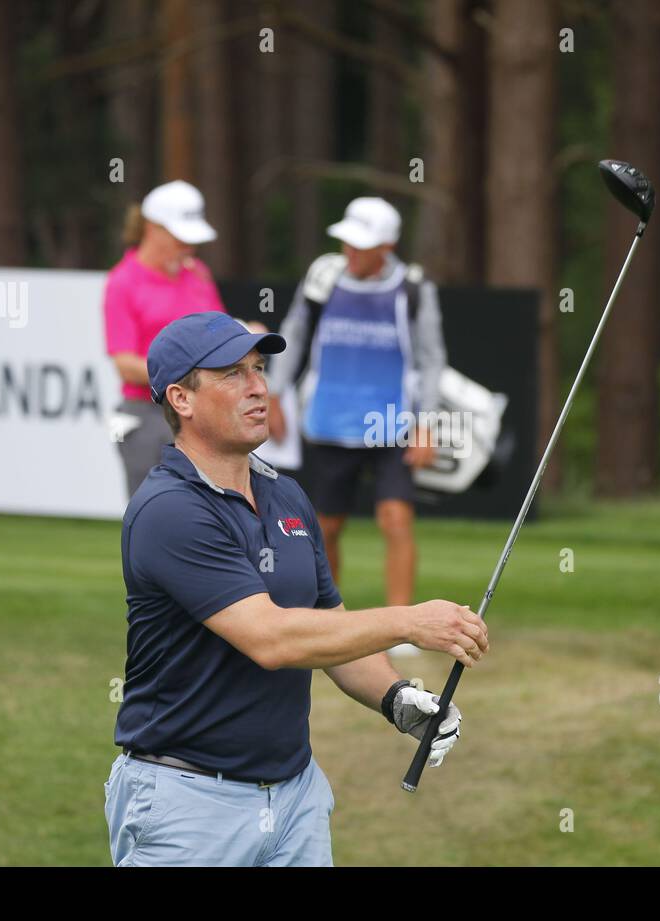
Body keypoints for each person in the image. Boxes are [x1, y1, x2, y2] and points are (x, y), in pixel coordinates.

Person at [103, 311, 489, 867]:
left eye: (259, 368)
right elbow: (273, 640)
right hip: (187, 804)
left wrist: (397, 697)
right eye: (232, 373)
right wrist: (410, 621)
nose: (259, 385)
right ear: (181, 399)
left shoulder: (287, 497)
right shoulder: (169, 510)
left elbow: (327, 625)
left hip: (295, 798)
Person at [264, 197, 447, 656]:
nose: (349, 250)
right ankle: (329, 622)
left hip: (391, 425)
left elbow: (430, 359)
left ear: (387, 246)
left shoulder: (413, 288)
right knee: (324, 527)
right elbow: (296, 332)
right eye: (346, 240)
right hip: (329, 422)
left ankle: (404, 625)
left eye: (360, 244)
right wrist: (273, 392)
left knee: (396, 518)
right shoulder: (323, 277)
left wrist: (426, 424)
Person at [103, 180, 228, 498]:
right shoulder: (123, 282)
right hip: (147, 413)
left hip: (200, 412)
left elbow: (218, 332)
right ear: (152, 228)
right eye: (181, 237)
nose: (190, 246)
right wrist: (190, 370)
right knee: (155, 515)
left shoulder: (197, 273)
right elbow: (126, 365)